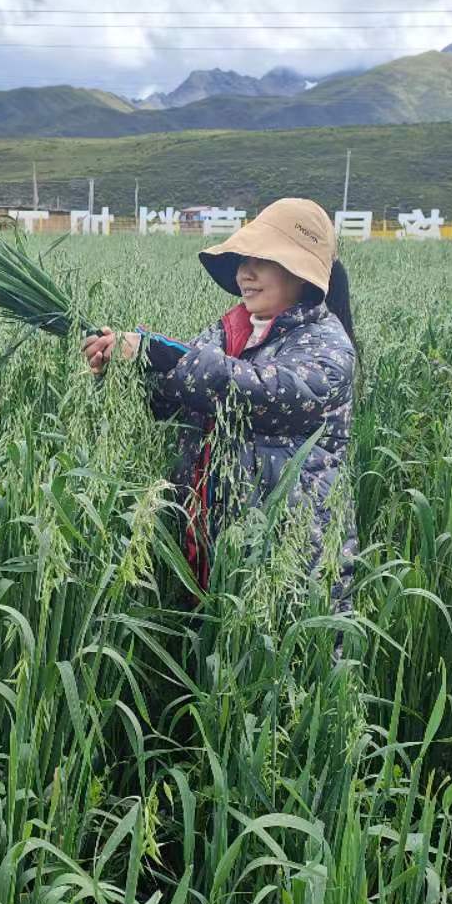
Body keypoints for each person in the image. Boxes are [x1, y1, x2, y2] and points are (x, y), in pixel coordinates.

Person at [82, 197, 357, 610]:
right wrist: (126, 367)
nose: (246, 272)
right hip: (217, 544)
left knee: (286, 664)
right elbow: (178, 404)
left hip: (293, 553)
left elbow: (262, 392)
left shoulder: (328, 346)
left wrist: (161, 353)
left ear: (302, 274)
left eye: (263, 260)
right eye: (243, 259)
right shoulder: (227, 332)